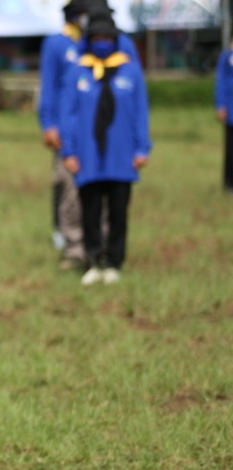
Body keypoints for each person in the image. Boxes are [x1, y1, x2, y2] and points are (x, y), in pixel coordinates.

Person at [60, 15, 151, 285]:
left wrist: (142, 147)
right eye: (96, 39)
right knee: (89, 210)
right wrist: (69, 151)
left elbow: (140, 112)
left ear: (115, 41)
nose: (102, 44)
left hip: (121, 154)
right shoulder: (78, 71)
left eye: (107, 39)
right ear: (88, 42)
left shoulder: (130, 71)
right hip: (88, 155)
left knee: (118, 211)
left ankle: (114, 260)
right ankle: (93, 259)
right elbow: (68, 115)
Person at [38, 0, 91, 269]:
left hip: (93, 127)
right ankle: (69, 241)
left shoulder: (98, 42)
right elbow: (48, 86)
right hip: (65, 128)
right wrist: (48, 124)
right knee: (65, 184)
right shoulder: (57, 44)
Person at [217, 38, 233, 194]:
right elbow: (220, 80)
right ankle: (228, 183)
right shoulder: (227, 55)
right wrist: (220, 104)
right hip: (231, 108)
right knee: (230, 148)